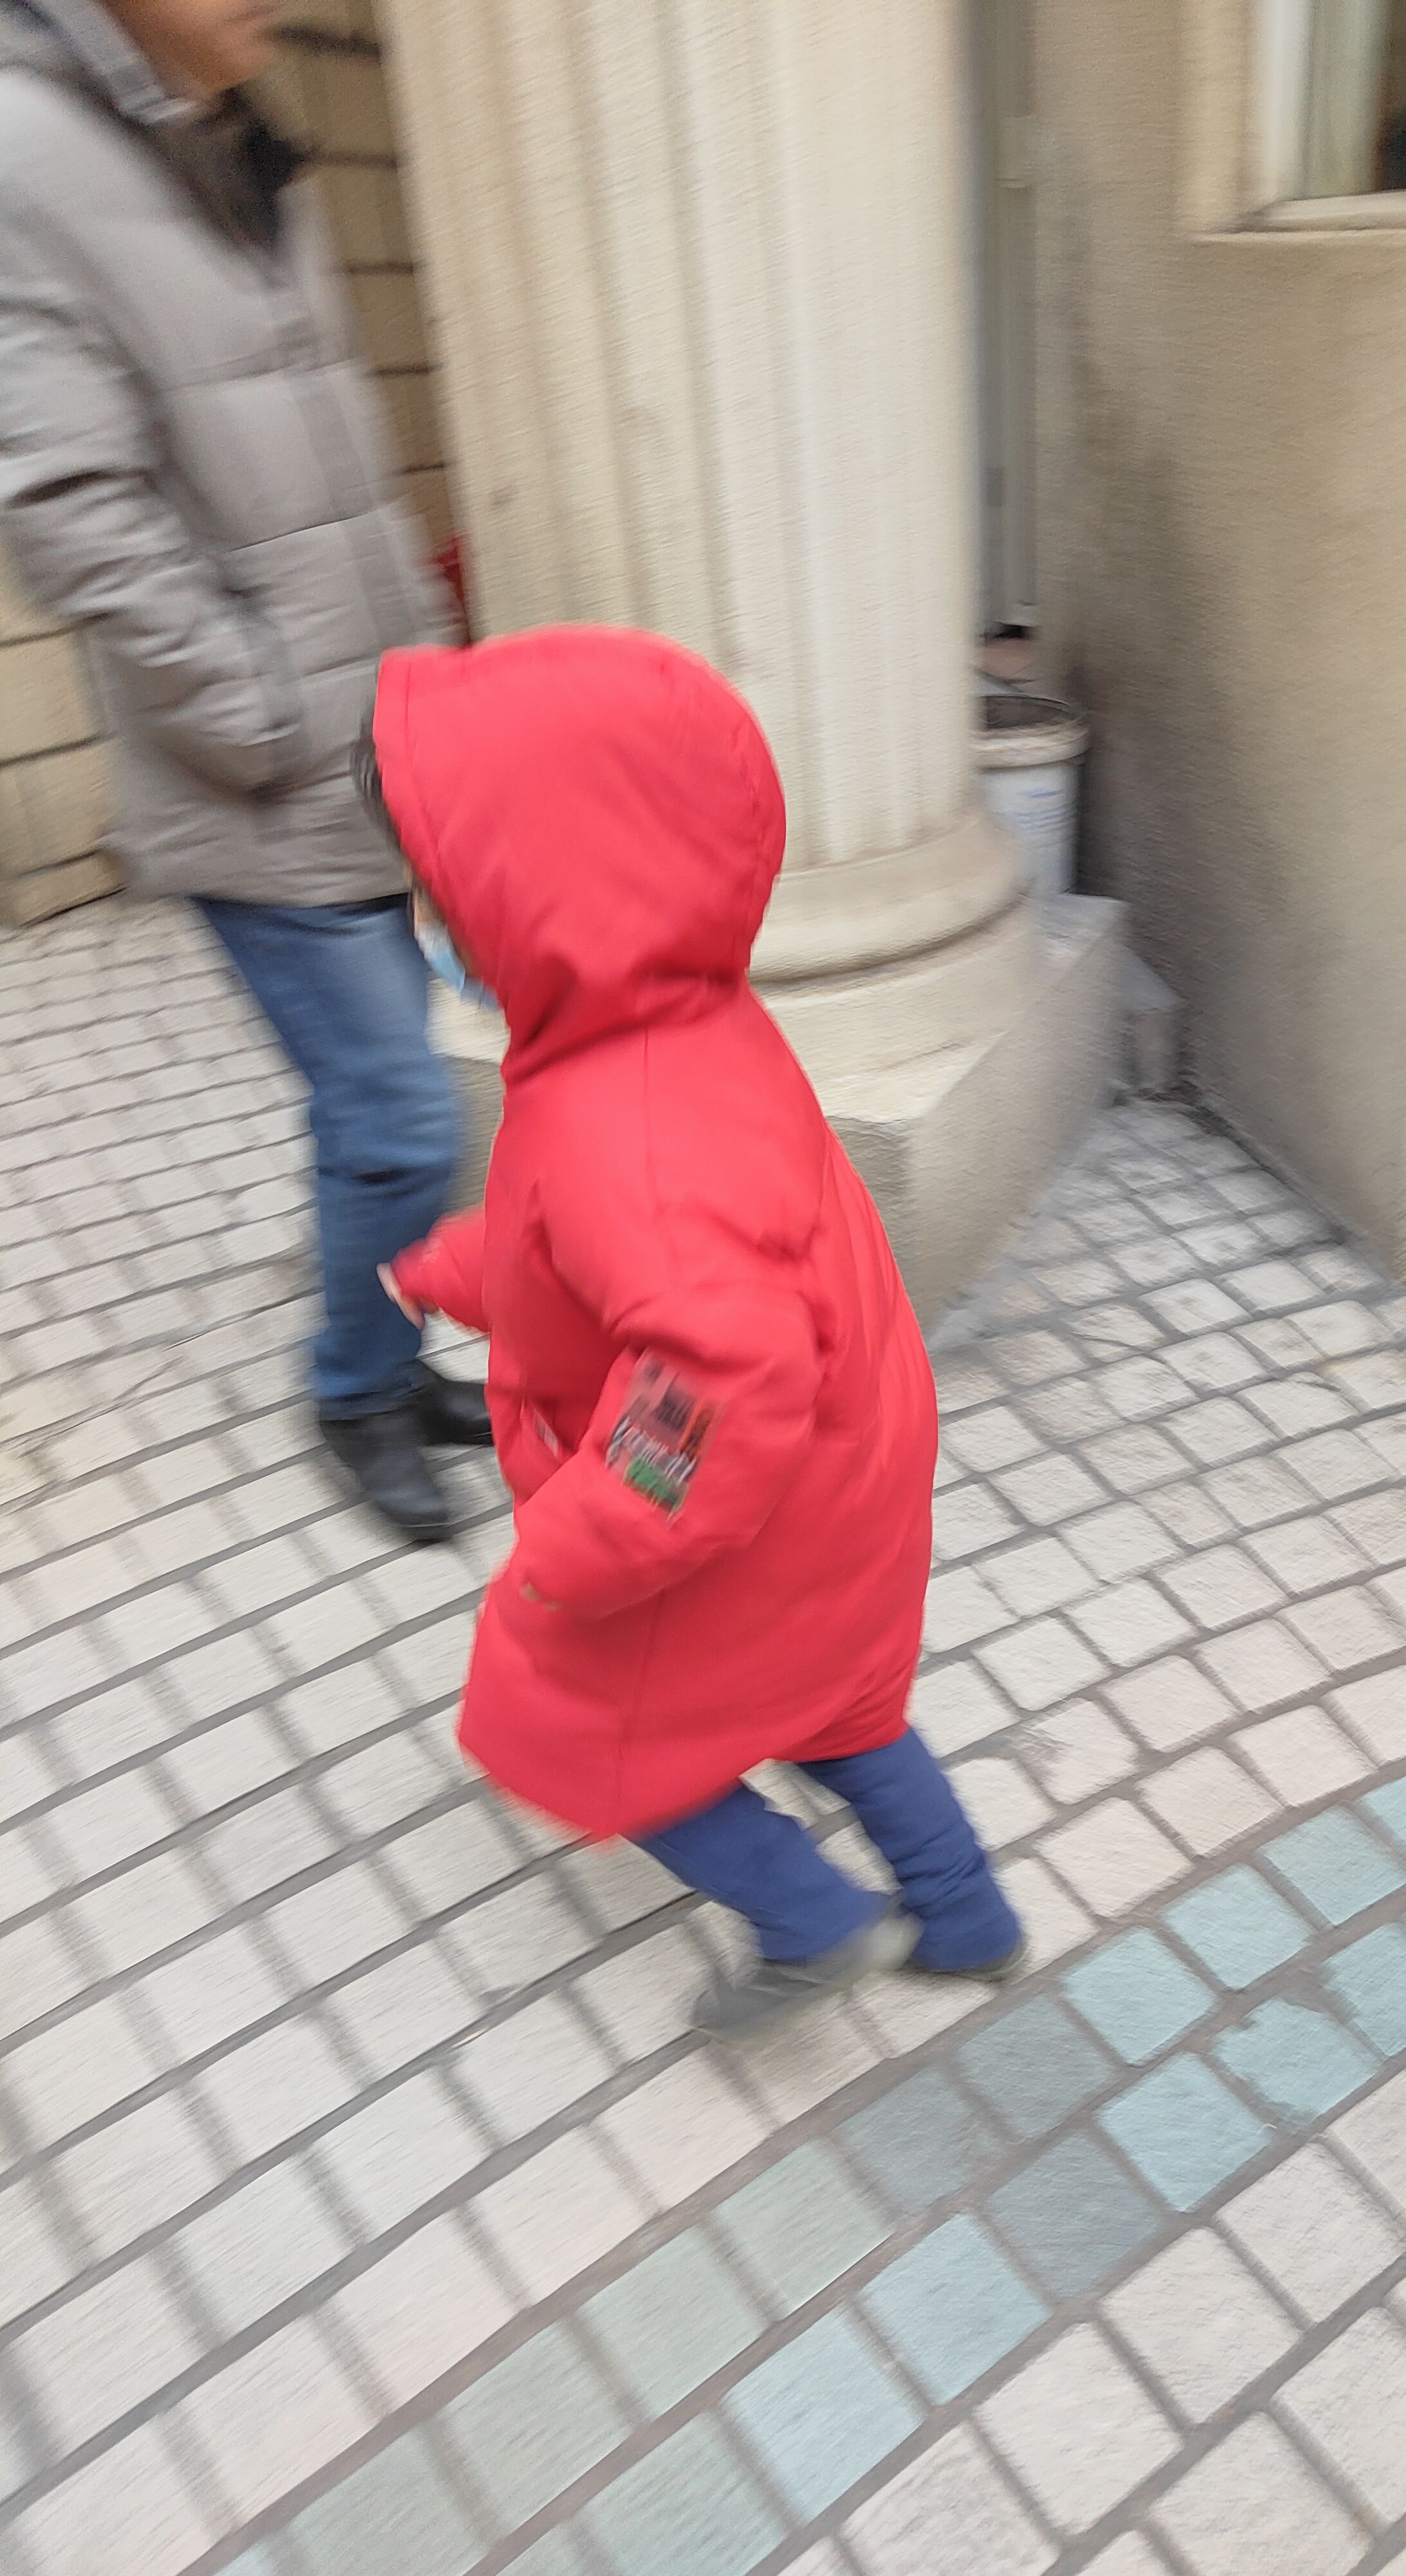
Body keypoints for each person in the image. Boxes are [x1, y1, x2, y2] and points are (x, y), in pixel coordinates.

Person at [371, 625, 1025, 2035]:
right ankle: (965, 1914)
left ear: (536, 895)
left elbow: (710, 1374)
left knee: (568, 1722)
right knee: (841, 1703)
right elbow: (585, 1262)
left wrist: (580, 1546)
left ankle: (809, 1920)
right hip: (842, 1472)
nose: (426, 917)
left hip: (737, 1514)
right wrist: (448, 1266)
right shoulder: (668, 1032)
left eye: (441, 887)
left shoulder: (624, 1123)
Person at [0, 0, 486, 1542]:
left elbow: (342, 469)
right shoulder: (26, 154)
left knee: (379, 1101)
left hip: (370, 744)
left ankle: (389, 1359)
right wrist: (258, 717)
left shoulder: (239, 141)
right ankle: (354, 1392)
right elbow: (71, 511)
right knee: (400, 1115)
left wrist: (419, 677)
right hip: (257, 780)